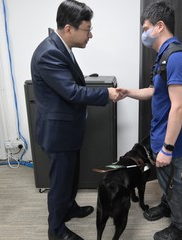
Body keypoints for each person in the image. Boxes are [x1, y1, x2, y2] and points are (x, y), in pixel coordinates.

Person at [30, 1, 120, 239]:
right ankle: (56, 230)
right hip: (58, 133)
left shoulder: (61, 48)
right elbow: (72, 92)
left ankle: (69, 208)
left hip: (68, 130)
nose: (90, 34)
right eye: (87, 29)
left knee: (70, 177)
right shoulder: (49, 53)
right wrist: (106, 94)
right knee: (60, 184)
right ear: (69, 28)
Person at [116, 1, 182, 239]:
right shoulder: (164, 56)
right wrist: (129, 92)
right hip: (162, 134)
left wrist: (168, 148)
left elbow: (179, 107)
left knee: (173, 181)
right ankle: (167, 205)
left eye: (146, 27)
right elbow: (154, 92)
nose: (144, 33)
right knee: (166, 178)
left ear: (159, 26)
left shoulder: (177, 59)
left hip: (172, 139)